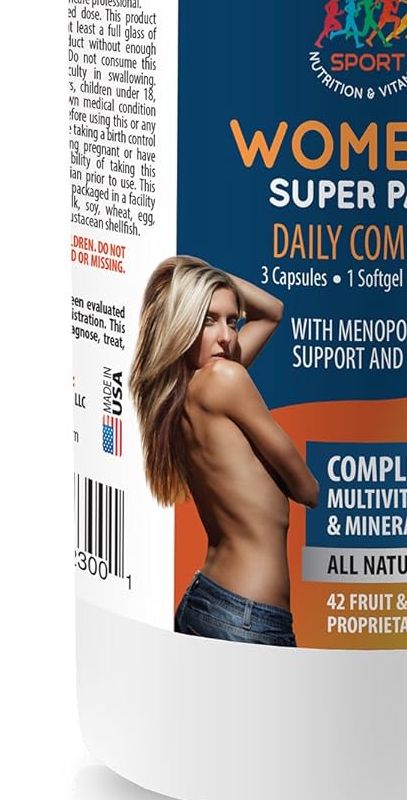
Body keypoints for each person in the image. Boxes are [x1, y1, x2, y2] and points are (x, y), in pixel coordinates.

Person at [129, 256, 319, 646]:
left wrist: (202, 273)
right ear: (182, 321)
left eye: (232, 321)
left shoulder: (182, 393)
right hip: (246, 619)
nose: (227, 337)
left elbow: (272, 313)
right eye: (208, 320)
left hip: (212, 603)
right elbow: (307, 489)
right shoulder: (225, 378)